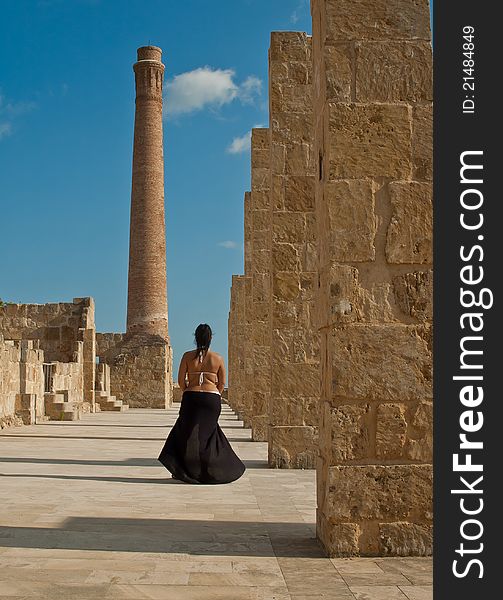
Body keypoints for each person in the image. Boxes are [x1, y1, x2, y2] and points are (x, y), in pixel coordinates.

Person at [158, 323, 246, 484]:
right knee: (208, 434)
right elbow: (222, 383)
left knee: (186, 433)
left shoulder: (186, 356)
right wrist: (213, 395)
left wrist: (189, 391)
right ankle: (211, 469)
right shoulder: (217, 358)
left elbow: (180, 380)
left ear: (195, 338)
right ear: (211, 338)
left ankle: (185, 468)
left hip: (191, 396)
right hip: (210, 399)